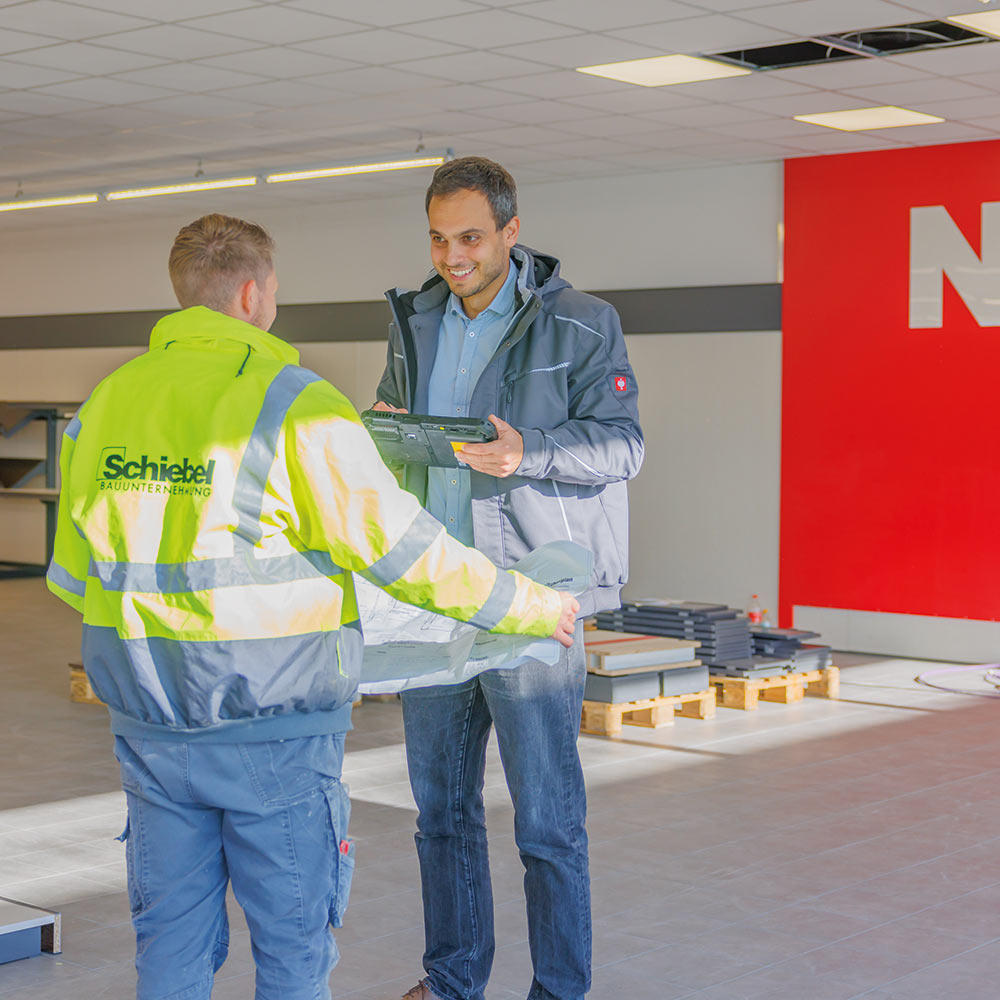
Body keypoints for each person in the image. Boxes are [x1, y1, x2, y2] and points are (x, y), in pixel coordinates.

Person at [46, 213, 579, 1000]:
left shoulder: (107, 405)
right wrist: (528, 605)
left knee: (169, 943)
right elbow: (406, 552)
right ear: (256, 294)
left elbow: (74, 573)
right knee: (292, 951)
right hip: (276, 732)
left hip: (151, 728)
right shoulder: (297, 405)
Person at [374, 157, 644, 1000]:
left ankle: (559, 989)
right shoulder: (415, 321)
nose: (452, 257)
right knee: (441, 818)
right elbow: (401, 425)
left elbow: (623, 445)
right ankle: (452, 980)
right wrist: (384, 431)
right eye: (438, 237)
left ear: (510, 233)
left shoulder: (586, 322)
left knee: (547, 824)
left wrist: (530, 452)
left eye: (469, 238)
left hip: (531, 601)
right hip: (435, 598)